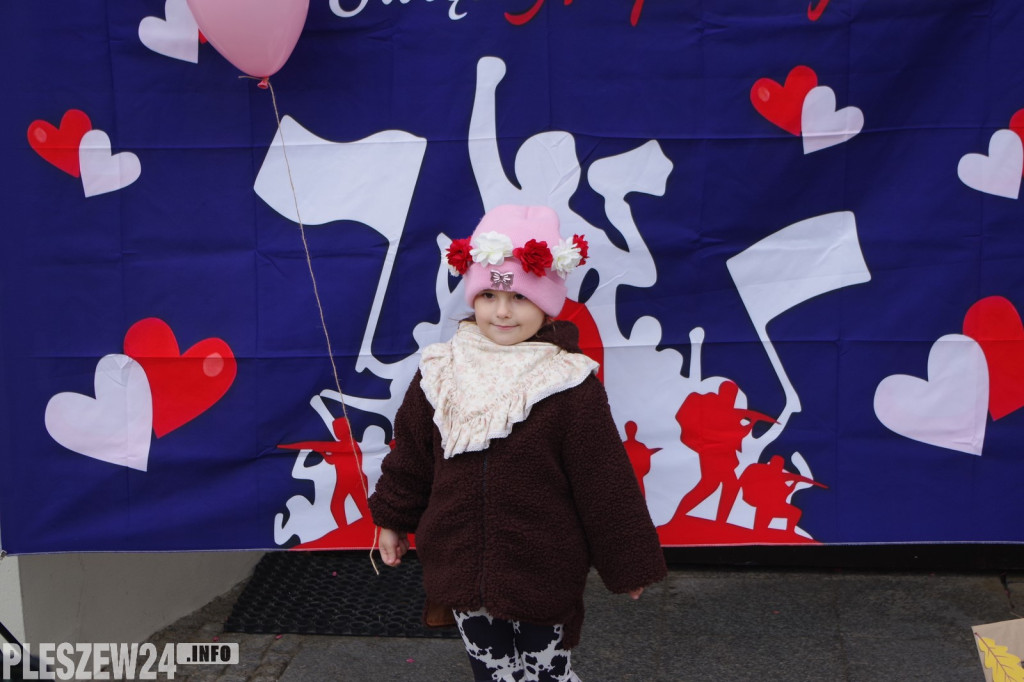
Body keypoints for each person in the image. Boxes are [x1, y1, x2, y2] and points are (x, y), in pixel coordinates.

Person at [368, 204, 667, 682]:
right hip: (461, 562)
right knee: (492, 672)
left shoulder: (567, 383)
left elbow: (604, 481)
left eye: (519, 299)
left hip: (542, 566)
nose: (502, 311)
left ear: (547, 303)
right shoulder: (442, 371)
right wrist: (391, 520)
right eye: (487, 295)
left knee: (546, 672)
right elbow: (411, 458)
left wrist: (627, 562)